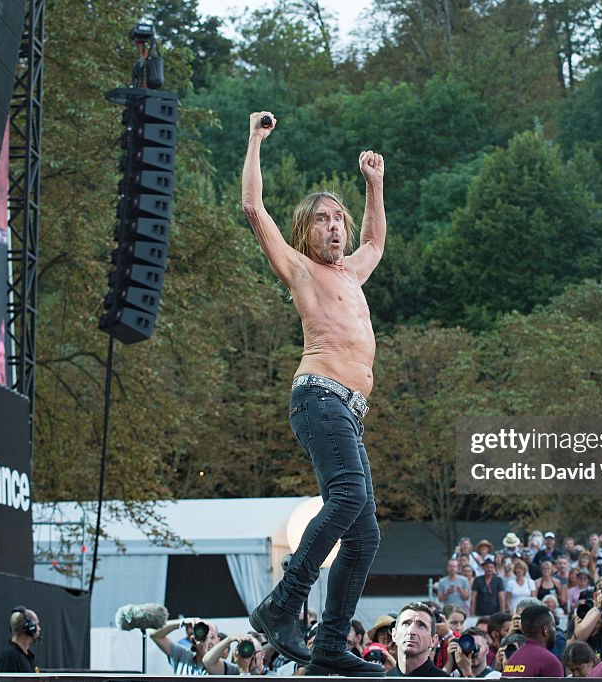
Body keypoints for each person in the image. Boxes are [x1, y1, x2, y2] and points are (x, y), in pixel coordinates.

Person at [242, 111, 387, 677]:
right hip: (319, 396)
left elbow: (376, 237)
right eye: (321, 219)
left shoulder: (353, 271)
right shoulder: (301, 270)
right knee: (347, 499)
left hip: (347, 412)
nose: (333, 226)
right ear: (306, 233)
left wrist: (373, 184)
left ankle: (328, 648)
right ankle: (282, 605)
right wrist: (255, 140)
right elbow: (255, 208)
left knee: (366, 536)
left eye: (337, 219)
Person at [388, 602, 449, 676]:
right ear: (394, 634)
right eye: (406, 624)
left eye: (421, 626)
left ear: (433, 640)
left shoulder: (443, 680)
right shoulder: (382, 679)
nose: (411, 631)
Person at [502, 604, 564, 677]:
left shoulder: (512, 660)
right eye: (553, 626)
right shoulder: (550, 662)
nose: (555, 630)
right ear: (545, 630)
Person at [151, 618, 219, 675]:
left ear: (218, 640)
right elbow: (154, 634)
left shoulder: (221, 666)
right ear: (193, 638)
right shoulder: (183, 655)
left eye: (212, 637)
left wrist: (203, 650)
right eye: (204, 637)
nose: (208, 641)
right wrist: (183, 622)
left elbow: (210, 663)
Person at [0, 606, 41, 673]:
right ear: (30, 627)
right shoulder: (10, 658)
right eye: (37, 624)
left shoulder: (27, 657)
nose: (39, 629)